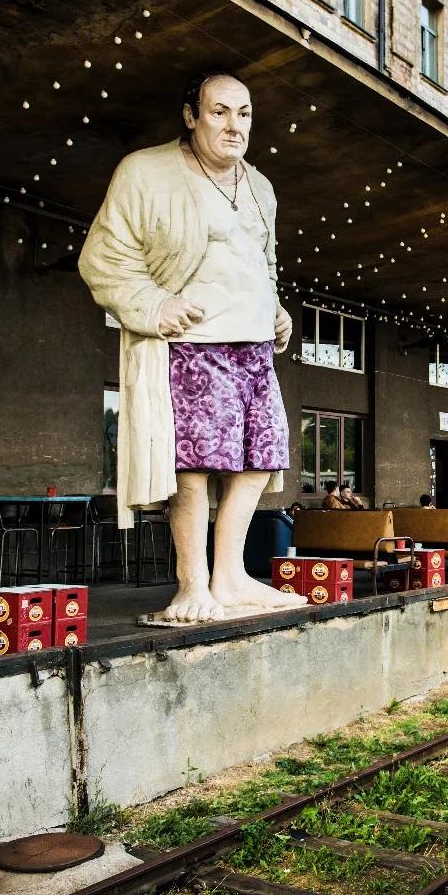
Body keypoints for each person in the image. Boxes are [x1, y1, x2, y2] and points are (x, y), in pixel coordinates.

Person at [79, 69, 303, 623]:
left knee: (260, 458)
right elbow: (103, 258)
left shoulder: (261, 186)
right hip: (192, 341)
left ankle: (229, 576)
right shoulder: (145, 171)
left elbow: (262, 264)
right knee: (195, 465)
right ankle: (192, 584)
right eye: (220, 111)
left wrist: (274, 310)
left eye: (244, 113)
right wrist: (155, 305)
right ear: (191, 115)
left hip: (253, 346)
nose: (234, 125)